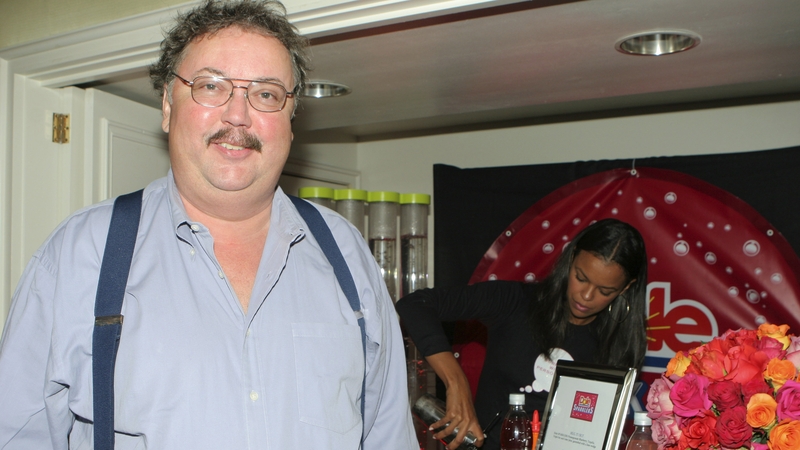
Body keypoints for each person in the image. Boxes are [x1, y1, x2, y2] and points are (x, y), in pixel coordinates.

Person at [0, 1, 417, 448]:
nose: (237, 116)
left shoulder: (347, 253)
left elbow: (387, 435)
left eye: (266, 93)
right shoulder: (81, 253)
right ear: (166, 105)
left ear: (291, 122)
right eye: (211, 85)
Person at [396, 218, 648, 450]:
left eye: (605, 290)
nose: (586, 296)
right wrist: (455, 382)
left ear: (626, 288)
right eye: (581, 278)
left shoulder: (621, 343)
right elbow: (415, 305)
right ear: (570, 260)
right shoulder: (515, 302)